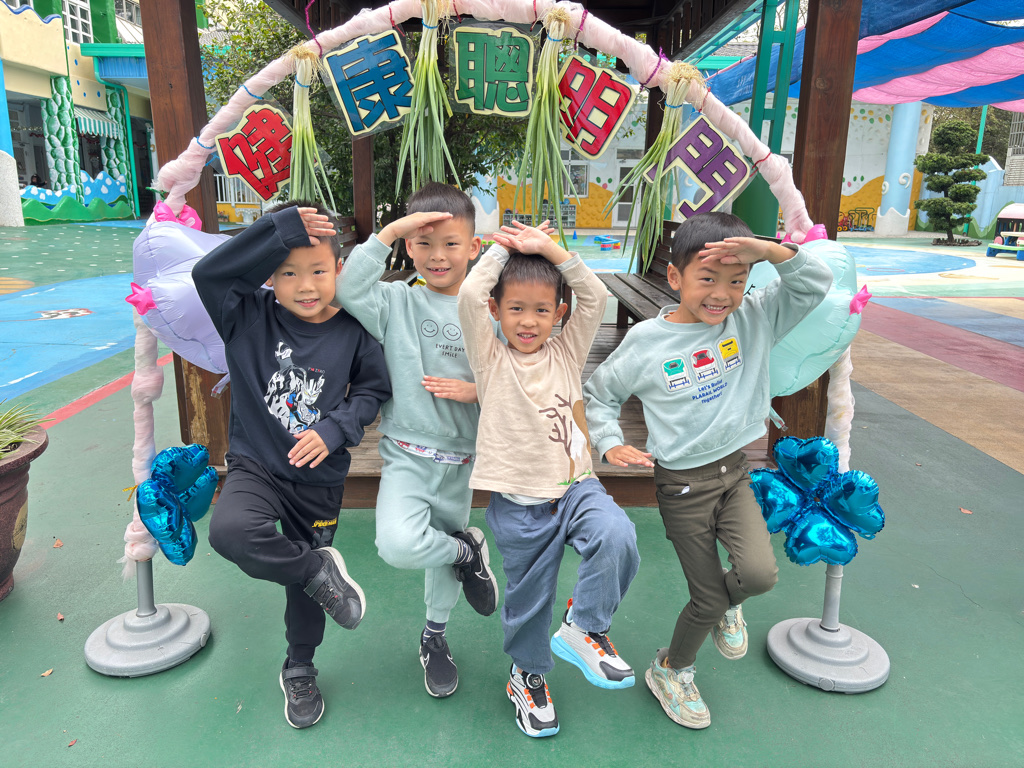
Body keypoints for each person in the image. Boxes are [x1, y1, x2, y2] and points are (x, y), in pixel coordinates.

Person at [583, 211, 833, 730]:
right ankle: (672, 669)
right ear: (675, 278)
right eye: (708, 278)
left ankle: (725, 606)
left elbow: (815, 282)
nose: (722, 294)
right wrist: (610, 443)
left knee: (758, 576)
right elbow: (599, 395)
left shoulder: (755, 317)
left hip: (734, 474)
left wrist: (770, 250)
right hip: (682, 486)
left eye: (737, 280)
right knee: (707, 597)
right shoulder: (646, 343)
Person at [195, 200, 391, 729]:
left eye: (319, 271)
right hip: (256, 466)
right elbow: (208, 273)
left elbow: (373, 390)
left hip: (318, 480)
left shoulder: (354, 330)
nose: (306, 286)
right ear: (267, 275)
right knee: (234, 533)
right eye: (288, 273)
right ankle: (314, 570)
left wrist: (335, 428)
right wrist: (276, 228)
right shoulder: (244, 315)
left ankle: (299, 666)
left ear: (339, 270)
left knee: (306, 593)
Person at [458, 220, 640, 739]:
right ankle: (528, 676)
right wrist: (501, 249)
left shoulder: (566, 350)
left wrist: (552, 251)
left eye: (542, 310)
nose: (528, 321)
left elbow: (595, 296)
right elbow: (469, 295)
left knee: (618, 535)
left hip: (577, 486)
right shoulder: (490, 357)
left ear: (559, 314)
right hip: (520, 505)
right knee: (530, 601)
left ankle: (585, 626)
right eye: (515, 308)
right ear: (496, 311)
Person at [333, 182, 499, 699]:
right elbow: (346, 289)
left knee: (441, 562)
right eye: (423, 243)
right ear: (408, 246)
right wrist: (388, 233)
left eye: (451, 243)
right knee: (398, 544)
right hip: (406, 454)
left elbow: (519, 380)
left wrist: (478, 390)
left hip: (463, 459)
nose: (437, 255)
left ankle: (434, 635)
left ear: (474, 247)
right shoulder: (396, 301)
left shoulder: (491, 312)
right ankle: (466, 551)